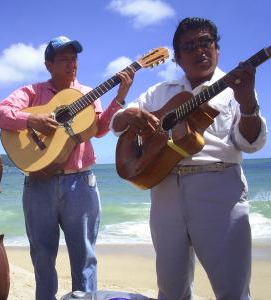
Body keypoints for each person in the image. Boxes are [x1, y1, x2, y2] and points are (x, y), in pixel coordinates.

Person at [111, 17, 268, 300]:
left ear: (217, 49)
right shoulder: (161, 92)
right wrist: (131, 114)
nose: (200, 50)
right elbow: (117, 124)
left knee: (232, 290)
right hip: (164, 191)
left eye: (206, 42)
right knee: (171, 291)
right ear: (179, 58)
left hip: (219, 191)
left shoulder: (236, 89)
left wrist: (247, 104)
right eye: (190, 46)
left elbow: (249, 143)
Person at [0, 36, 134, 300]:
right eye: (64, 60)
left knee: (84, 254)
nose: (71, 64)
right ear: (49, 65)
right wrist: (31, 119)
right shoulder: (32, 92)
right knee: (42, 256)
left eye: (74, 59)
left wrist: (120, 96)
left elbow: (100, 130)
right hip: (38, 182)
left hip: (80, 182)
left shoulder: (88, 94)